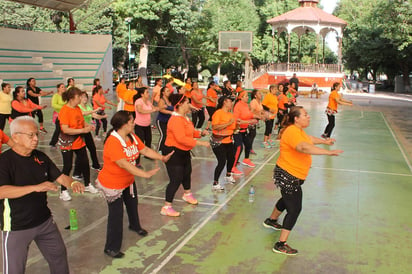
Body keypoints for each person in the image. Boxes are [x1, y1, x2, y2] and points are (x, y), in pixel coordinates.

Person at [0, 116, 85, 274]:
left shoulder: (40, 157)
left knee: (58, 256)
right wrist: (34, 187)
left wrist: (72, 183)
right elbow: (2, 191)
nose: (36, 139)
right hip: (16, 227)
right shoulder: (5, 161)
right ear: (15, 137)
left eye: (37, 134)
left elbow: (60, 177)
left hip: (44, 221)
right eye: (30, 135)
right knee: (14, 270)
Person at [262, 106, 343, 255]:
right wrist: (327, 153)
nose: (308, 117)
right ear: (296, 119)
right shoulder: (292, 131)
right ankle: (281, 244)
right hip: (289, 175)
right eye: (305, 115)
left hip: (291, 173)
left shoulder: (297, 130)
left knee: (287, 199)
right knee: (294, 209)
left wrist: (324, 142)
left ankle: (272, 220)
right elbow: (303, 147)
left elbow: (309, 139)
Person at [96, 111, 172, 258]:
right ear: (124, 124)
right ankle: (111, 247)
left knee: (132, 204)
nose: (134, 123)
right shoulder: (113, 141)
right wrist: (144, 174)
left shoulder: (132, 137)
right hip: (113, 185)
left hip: (127, 181)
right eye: (132, 122)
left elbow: (144, 149)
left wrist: (161, 157)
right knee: (116, 215)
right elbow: (123, 163)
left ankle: (134, 226)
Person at [161, 94, 210, 216]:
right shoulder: (175, 120)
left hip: (184, 151)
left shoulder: (185, 118)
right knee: (176, 179)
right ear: (180, 104)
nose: (189, 104)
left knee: (187, 172)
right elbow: (181, 138)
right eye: (187, 102)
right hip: (173, 151)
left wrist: (199, 134)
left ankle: (187, 194)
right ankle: (167, 207)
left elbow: (190, 132)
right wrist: (200, 143)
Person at [59, 87, 98, 201]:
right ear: (71, 98)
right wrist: (82, 131)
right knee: (68, 166)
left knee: (85, 163)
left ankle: (87, 184)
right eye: (78, 97)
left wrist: (87, 126)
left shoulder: (77, 109)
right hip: (67, 142)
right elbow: (66, 129)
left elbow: (81, 121)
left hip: (79, 142)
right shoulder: (65, 110)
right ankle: (63, 190)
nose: (80, 99)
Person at [72, 91, 105, 178]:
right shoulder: (78, 107)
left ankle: (95, 165)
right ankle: (76, 173)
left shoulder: (88, 107)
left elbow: (94, 115)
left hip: (87, 130)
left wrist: (103, 117)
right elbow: (83, 114)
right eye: (83, 97)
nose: (85, 99)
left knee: (92, 148)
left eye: (86, 97)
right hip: (80, 131)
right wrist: (94, 110)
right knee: (81, 153)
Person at [211, 96, 237, 191]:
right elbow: (215, 127)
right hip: (219, 141)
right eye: (230, 101)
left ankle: (228, 175)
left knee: (231, 158)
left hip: (229, 141)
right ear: (225, 102)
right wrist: (228, 123)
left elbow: (233, 127)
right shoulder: (218, 113)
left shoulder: (231, 114)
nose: (231, 104)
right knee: (222, 161)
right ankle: (215, 182)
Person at [232, 91, 260, 175]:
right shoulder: (238, 106)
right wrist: (250, 121)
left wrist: (258, 116)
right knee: (238, 148)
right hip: (238, 131)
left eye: (247, 96)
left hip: (244, 130)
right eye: (246, 96)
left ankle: (246, 159)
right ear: (241, 97)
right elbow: (237, 120)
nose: (248, 97)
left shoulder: (245, 105)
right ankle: (232, 166)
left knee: (248, 144)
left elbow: (249, 114)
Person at [134, 87, 159, 166]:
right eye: (147, 92)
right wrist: (152, 110)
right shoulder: (138, 101)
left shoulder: (148, 102)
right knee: (140, 143)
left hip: (147, 125)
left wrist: (162, 107)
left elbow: (154, 108)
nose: (148, 94)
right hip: (139, 125)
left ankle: (147, 155)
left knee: (148, 141)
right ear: (142, 94)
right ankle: (137, 161)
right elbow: (140, 110)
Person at [156, 86, 173, 153]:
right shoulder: (161, 100)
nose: (169, 92)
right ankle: (159, 150)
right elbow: (161, 110)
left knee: (169, 135)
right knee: (163, 135)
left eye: (169, 91)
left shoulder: (170, 100)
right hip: (161, 120)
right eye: (167, 91)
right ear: (163, 93)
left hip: (168, 121)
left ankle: (165, 149)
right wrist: (170, 112)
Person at [49, 83, 67, 148]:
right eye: (62, 87)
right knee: (58, 129)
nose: (64, 88)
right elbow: (54, 105)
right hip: (58, 114)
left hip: (66, 114)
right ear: (58, 88)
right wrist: (63, 107)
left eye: (64, 87)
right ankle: (53, 142)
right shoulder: (56, 96)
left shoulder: (66, 96)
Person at [249, 89, 265, 154]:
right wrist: (258, 115)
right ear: (255, 95)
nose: (260, 95)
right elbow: (251, 111)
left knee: (253, 134)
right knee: (252, 134)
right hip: (251, 120)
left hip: (256, 120)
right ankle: (249, 148)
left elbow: (260, 110)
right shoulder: (253, 102)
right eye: (259, 93)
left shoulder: (260, 102)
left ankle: (249, 147)